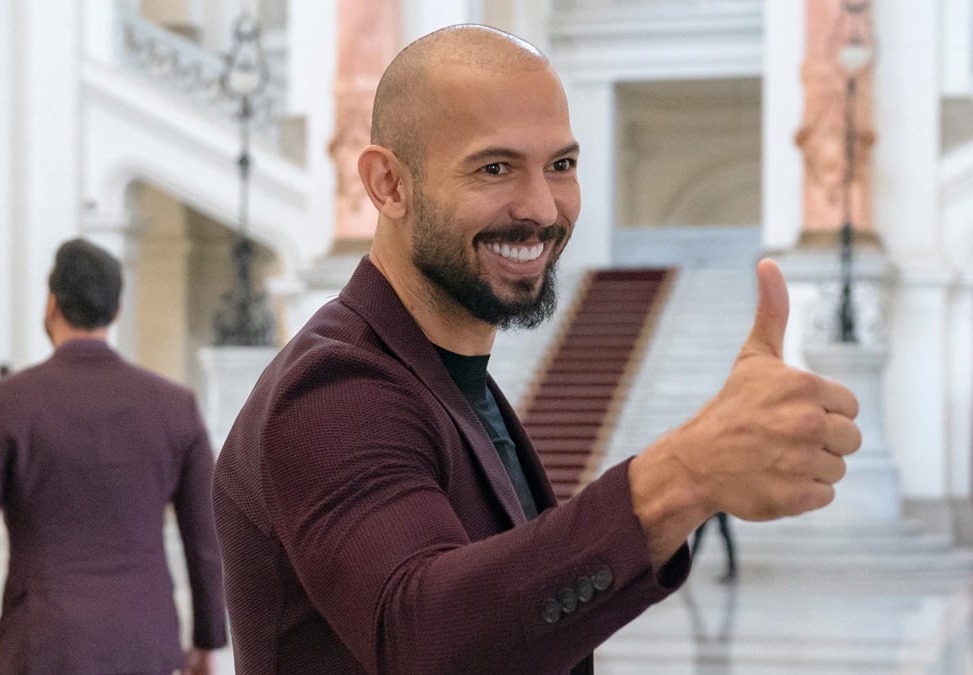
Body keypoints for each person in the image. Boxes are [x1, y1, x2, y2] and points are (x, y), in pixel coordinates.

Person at [212, 24, 861, 675]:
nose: (543, 207)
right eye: (494, 167)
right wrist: (683, 478)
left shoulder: (450, 377)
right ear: (388, 184)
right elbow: (421, 635)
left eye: (562, 165)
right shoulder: (337, 387)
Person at [0, 238, 227, 675]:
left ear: (51, 304)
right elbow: (206, 540)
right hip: (145, 639)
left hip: (43, 641)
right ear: (117, 312)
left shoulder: (1, 405)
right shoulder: (174, 406)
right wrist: (208, 639)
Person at [691, 512, 739, 583]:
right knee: (698, 536)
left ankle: (732, 569)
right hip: (715, 506)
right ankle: (732, 569)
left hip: (714, 506)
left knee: (698, 536)